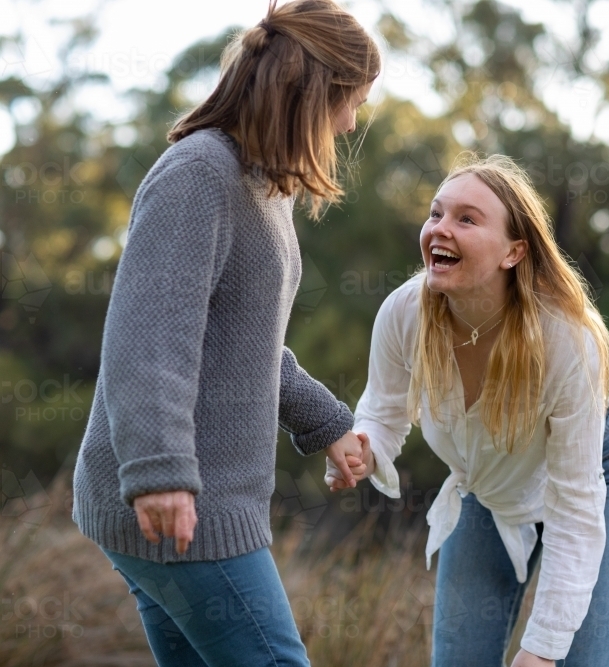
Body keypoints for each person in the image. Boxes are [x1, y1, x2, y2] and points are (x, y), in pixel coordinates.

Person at [71, 2, 380, 665]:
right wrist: (159, 471)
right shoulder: (201, 174)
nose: (351, 122)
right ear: (313, 93)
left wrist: (324, 421)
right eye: (352, 102)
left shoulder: (261, 187)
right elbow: (147, 335)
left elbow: (244, 343)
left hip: (192, 502)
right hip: (180, 504)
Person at [326, 154, 609, 666]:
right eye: (436, 214)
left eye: (466, 219)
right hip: (486, 486)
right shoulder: (405, 312)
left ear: (514, 251)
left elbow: (575, 508)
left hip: (594, 480)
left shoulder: (565, 338)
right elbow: (384, 411)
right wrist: (365, 448)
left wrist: (542, 648)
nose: (440, 230)